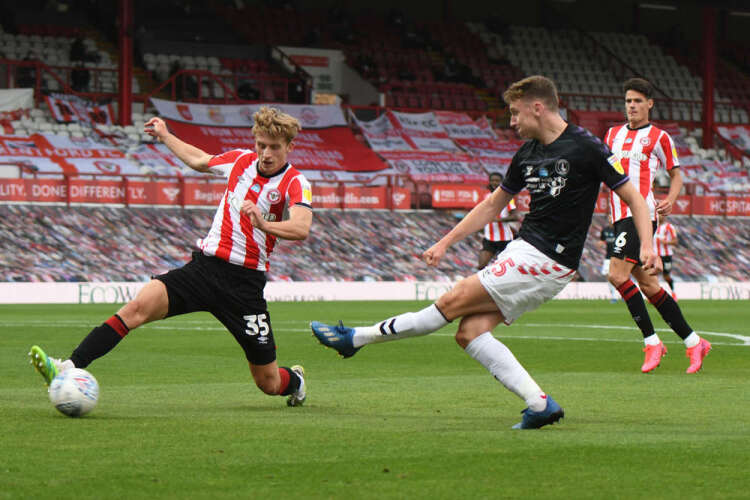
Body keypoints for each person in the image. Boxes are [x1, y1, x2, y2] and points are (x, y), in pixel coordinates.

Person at [311, 75, 660, 429]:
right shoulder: (526, 154)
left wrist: (646, 244)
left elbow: (634, 197)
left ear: (537, 108)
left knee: (450, 302)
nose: (511, 122)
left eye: (515, 113)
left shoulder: (587, 147)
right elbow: (493, 205)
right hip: (527, 252)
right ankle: (540, 405)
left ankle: (356, 338)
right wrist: (445, 241)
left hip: (547, 257)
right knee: (470, 332)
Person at [29, 106, 312, 407]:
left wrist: (264, 224)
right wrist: (165, 135)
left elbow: (301, 226)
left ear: (290, 147)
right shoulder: (241, 161)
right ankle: (68, 368)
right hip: (203, 270)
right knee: (137, 307)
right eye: (261, 145)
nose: (266, 153)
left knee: (268, 382)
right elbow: (199, 160)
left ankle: (296, 381)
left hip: (244, 286)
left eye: (274, 147)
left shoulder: (295, 183)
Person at [604, 77, 710, 374]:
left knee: (616, 274)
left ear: (649, 103)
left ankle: (652, 342)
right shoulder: (611, 135)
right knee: (650, 285)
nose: (632, 106)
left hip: (639, 215)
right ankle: (694, 342)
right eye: (628, 101)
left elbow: (676, 175)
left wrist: (671, 200)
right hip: (618, 215)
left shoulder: (660, 137)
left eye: (638, 101)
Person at [477, 172, 519, 270]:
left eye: (497, 181)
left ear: (501, 182)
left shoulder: (507, 198)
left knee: (508, 267)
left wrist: (497, 220)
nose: (494, 183)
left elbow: (515, 216)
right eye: (492, 180)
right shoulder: (485, 196)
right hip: (489, 238)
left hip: (505, 238)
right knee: (481, 265)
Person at [654, 214, 678, 300]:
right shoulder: (652, 226)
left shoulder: (669, 227)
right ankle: (653, 295)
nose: (659, 216)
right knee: (653, 275)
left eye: (661, 215)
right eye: (658, 214)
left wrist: (666, 242)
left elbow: (675, 241)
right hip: (655, 256)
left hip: (666, 255)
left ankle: (673, 292)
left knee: (666, 276)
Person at [597, 221, 619, 302]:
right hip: (608, 257)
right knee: (608, 275)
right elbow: (602, 240)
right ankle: (614, 296)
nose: (610, 219)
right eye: (609, 218)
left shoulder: (619, 228)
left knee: (622, 276)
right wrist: (600, 243)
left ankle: (624, 294)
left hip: (619, 257)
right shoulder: (605, 230)